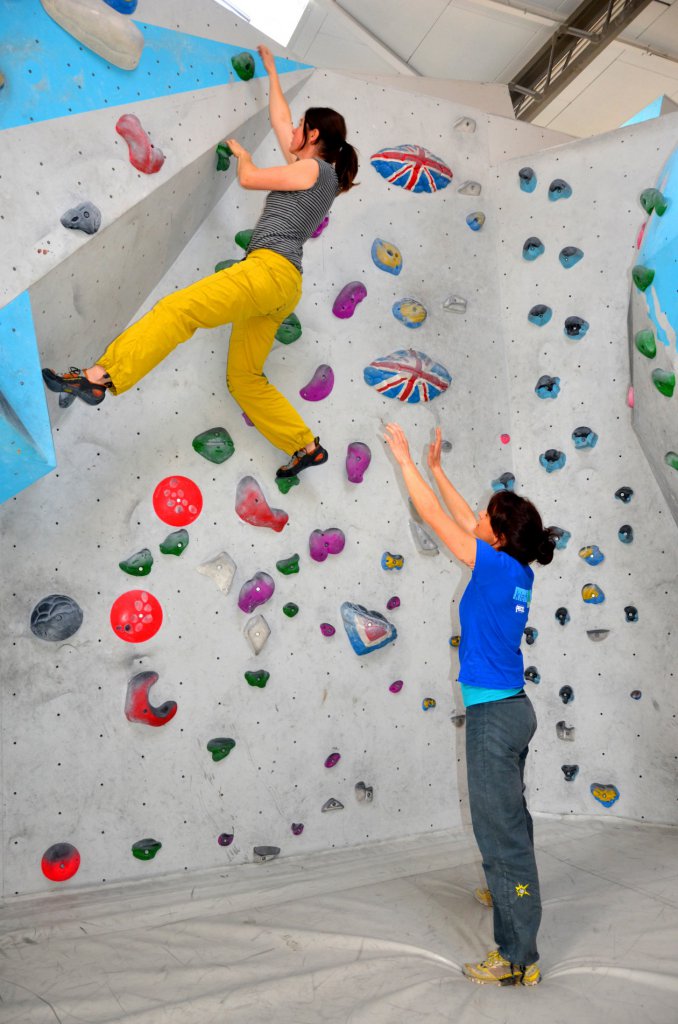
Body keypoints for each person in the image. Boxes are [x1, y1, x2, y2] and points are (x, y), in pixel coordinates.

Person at [43, 44, 359, 480]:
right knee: (245, 379)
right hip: (282, 289)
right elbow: (280, 120)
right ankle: (304, 445)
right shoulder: (320, 175)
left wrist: (245, 157)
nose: (292, 132)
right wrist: (270, 70)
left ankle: (99, 376)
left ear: (314, 138)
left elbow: (249, 179)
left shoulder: (312, 172)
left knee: (178, 310)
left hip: (268, 271)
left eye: (301, 129)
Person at [383, 422, 556, 987]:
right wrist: (436, 469)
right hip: (514, 710)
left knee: (501, 833)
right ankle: (505, 890)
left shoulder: (494, 564)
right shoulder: (514, 569)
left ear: (498, 538)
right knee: (511, 819)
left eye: (487, 519)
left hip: (495, 719)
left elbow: (438, 519)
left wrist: (406, 460)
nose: (476, 521)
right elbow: (460, 519)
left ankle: (517, 959)